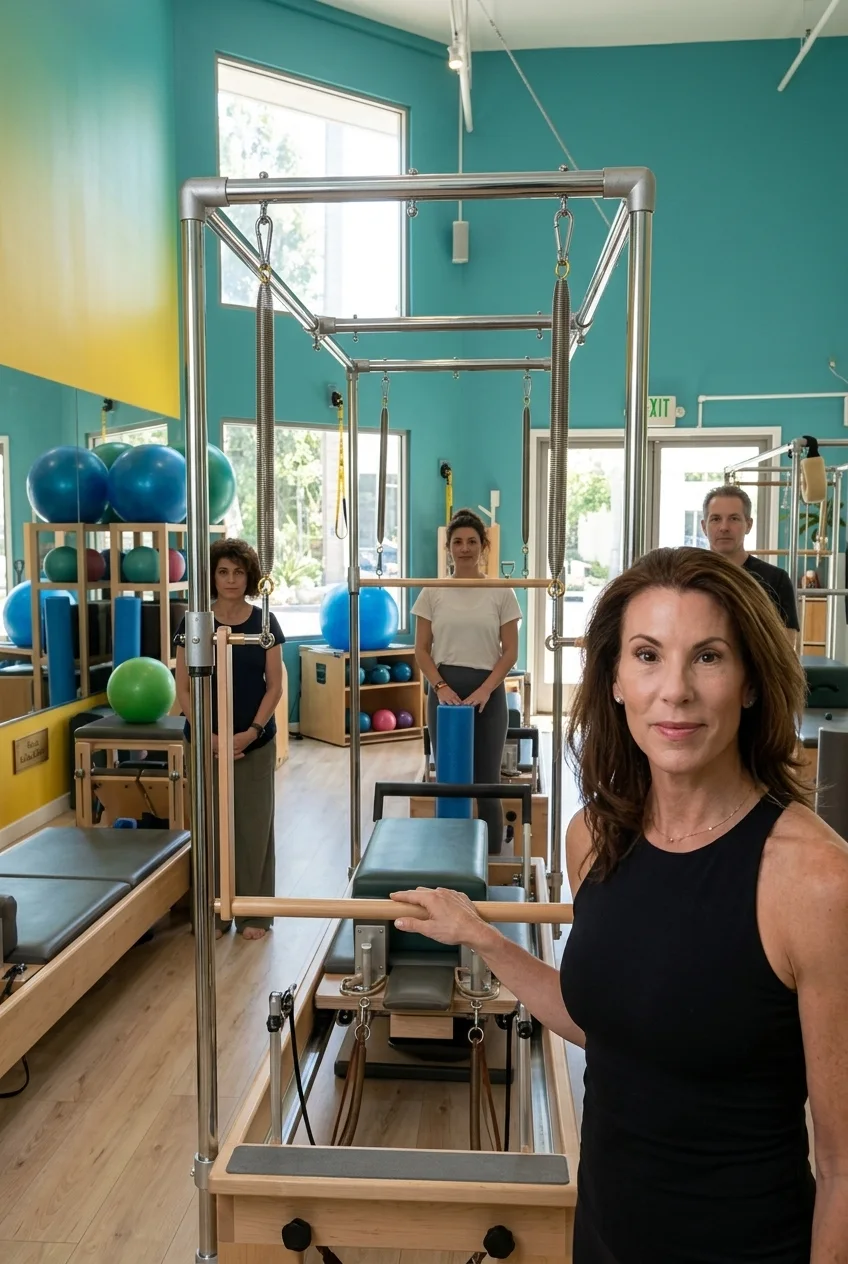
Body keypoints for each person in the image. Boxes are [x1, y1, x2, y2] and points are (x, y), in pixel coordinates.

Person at [391, 546, 848, 1263]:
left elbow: (844, 1166)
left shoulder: (815, 881)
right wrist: (481, 937)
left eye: (708, 657)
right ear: (613, 680)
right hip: (603, 1233)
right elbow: (610, 1023)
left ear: (751, 683)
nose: (675, 691)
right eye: (647, 655)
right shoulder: (593, 838)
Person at [175, 538, 284, 941]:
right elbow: (183, 688)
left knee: (254, 828)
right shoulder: (193, 624)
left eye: (238, 572)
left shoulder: (265, 623)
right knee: (209, 826)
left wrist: (250, 733)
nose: (231, 580)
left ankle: (255, 914)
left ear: (249, 577)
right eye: (223, 572)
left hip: (254, 740)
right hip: (205, 741)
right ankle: (214, 913)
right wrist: (211, 738)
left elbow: (275, 686)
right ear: (212, 577)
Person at [412, 509, 521, 854]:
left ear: (483, 546)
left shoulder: (501, 592)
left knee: (487, 780)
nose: (464, 548)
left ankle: (491, 860)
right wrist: (440, 687)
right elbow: (421, 650)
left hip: (488, 693)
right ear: (448, 548)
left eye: (472, 541)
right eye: (457, 542)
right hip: (444, 691)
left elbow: (511, 651)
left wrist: (486, 689)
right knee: (450, 778)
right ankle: (450, 857)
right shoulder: (432, 592)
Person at [701, 483, 800, 649]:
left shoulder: (776, 580)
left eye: (734, 518)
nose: (724, 527)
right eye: (716, 519)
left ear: (749, 525)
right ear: (704, 527)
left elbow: (787, 648)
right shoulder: (688, 577)